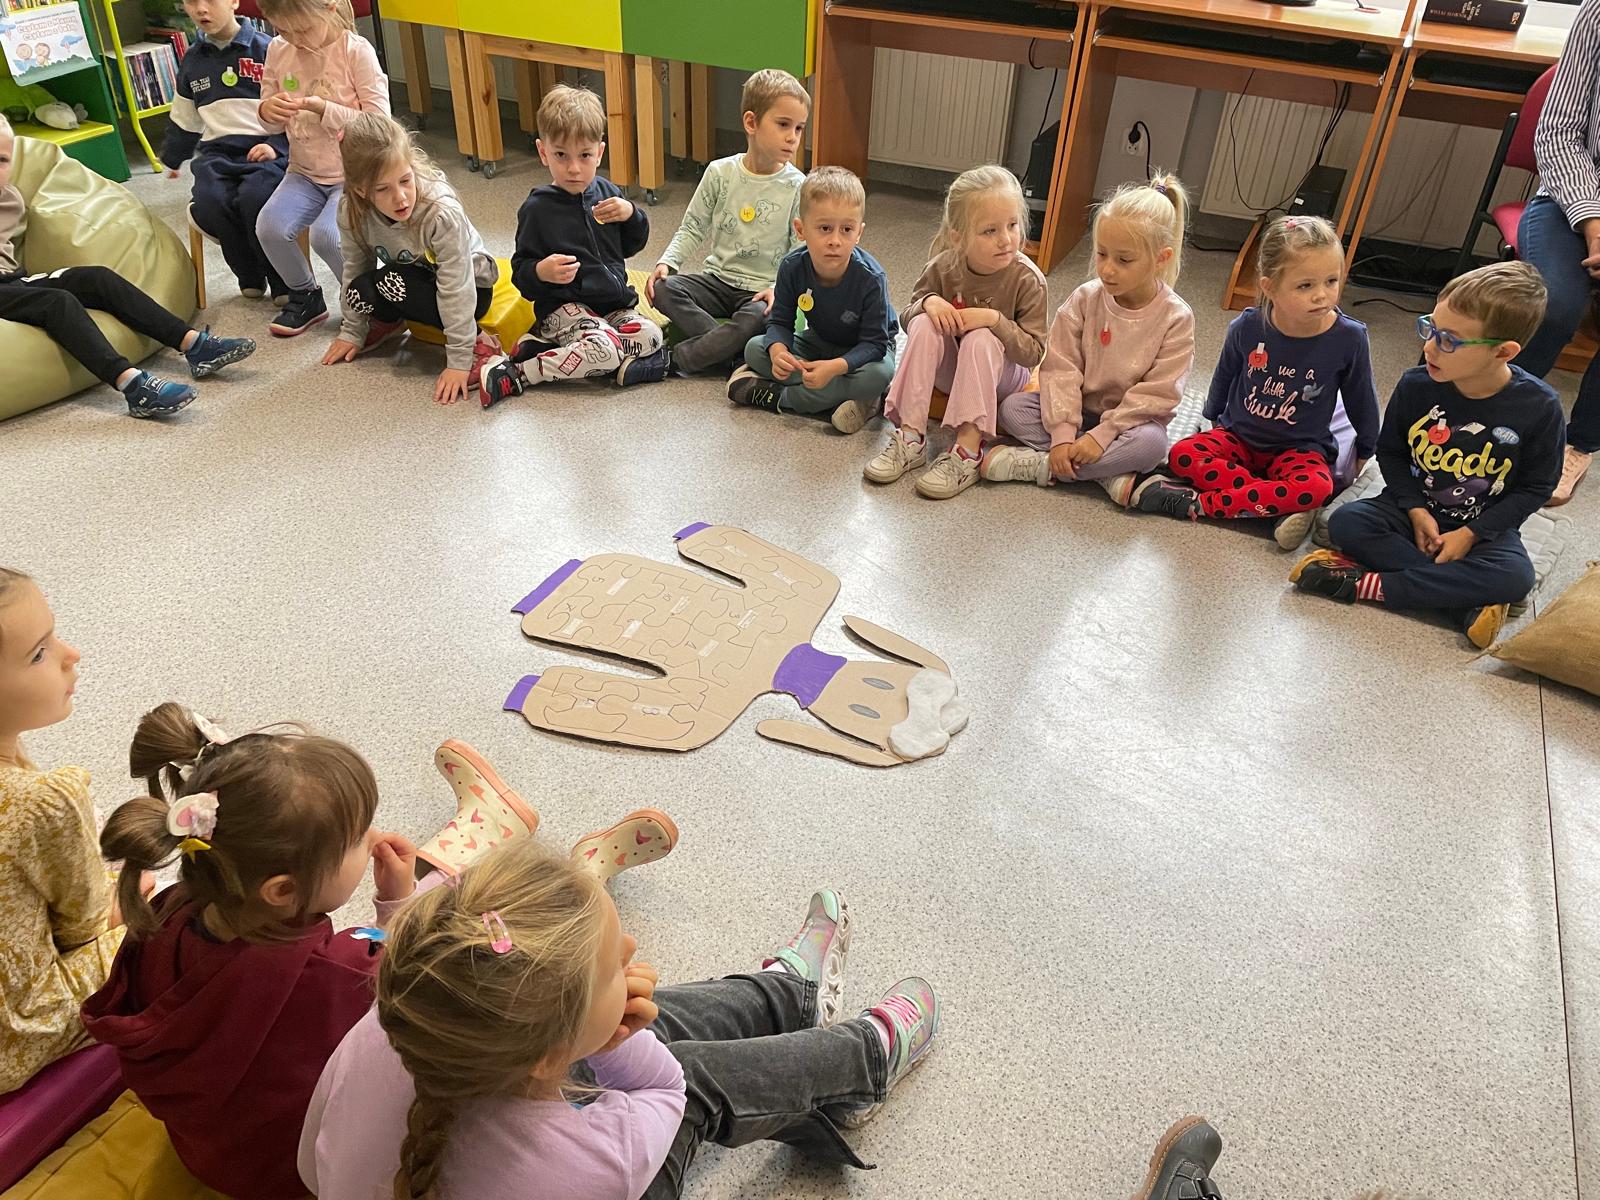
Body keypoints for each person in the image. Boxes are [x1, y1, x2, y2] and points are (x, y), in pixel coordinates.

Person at [299, 840, 939, 1200]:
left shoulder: (404, 1013)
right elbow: (667, 1088)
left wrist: (600, 1023)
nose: (632, 949)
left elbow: (309, 1166)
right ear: (549, 1060)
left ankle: (787, 996)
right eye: (613, 961)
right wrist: (613, 1041)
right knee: (682, 1069)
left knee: (620, 1019)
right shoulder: (588, 1162)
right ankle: (864, 1060)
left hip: (526, 1068)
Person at [1291, 261, 1563, 649]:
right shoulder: (1416, 385)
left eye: (1449, 340)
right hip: (1409, 513)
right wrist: (1416, 509)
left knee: (1515, 577)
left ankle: (1369, 585)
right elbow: (1391, 452)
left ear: (1503, 351)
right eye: (1430, 328)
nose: (1429, 346)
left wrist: (1470, 534)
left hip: (1482, 529)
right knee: (1347, 522)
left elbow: (1536, 488)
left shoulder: (1540, 407)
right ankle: (1461, 604)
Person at [1135, 214, 1381, 551]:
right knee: (1182, 455)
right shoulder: (1247, 327)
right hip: (1239, 439)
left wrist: (1366, 448)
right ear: (1269, 287)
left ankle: (1202, 504)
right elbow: (1224, 374)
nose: (1322, 296)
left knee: (1317, 488)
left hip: (1300, 449)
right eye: (1305, 286)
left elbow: (1361, 398)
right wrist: (1212, 416)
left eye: (1331, 281)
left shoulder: (1349, 338)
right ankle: (1275, 505)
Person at [0, 117, 256, 418]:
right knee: (57, 302)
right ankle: (133, 386)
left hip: (11, 281)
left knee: (98, 277)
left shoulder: (11, 199)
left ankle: (194, 345)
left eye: (3, 160)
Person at [0, 569, 137, 1093]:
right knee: (182, 920)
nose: (70, 654)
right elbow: (84, 927)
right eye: (39, 652)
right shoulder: (45, 799)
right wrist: (135, 897)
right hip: (16, 1035)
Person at [981, 175, 1195, 507]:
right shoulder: (1085, 298)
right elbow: (1060, 367)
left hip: (1129, 424)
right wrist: (1063, 435)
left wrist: (1104, 435)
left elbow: (1159, 393)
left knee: (1153, 445)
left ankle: (1043, 467)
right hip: (1076, 409)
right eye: (1101, 254)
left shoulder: (1176, 317)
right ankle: (1106, 473)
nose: (1107, 269)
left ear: (1161, 258)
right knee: (1011, 410)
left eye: (1124, 260)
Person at [864, 164, 1049, 499]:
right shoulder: (943, 267)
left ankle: (967, 452)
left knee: (981, 337)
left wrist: (993, 320)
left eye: (1012, 225)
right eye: (990, 230)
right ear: (958, 237)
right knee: (925, 322)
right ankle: (910, 437)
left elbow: (1034, 353)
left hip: (1004, 377)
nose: (1006, 238)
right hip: (952, 372)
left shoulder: (1028, 279)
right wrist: (929, 303)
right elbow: (907, 318)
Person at [478, 84, 664, 405]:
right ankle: (517, 372)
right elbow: (521, 274)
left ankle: (548, 349)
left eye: (585, 155)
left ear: (600, 153)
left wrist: (631, 214)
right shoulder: (537, 209)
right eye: (561, 155)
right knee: (606, 350)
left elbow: (632, 246)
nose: (574, 168)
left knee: (652, 335)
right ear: (543, 152)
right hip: (562, 310)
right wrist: (541, 271)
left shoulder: (608, 193)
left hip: (613, 306)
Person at [320, 112, 501, 405]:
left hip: (471, 288)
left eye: (406, 180)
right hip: (411, 277)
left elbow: (455, 286)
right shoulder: (350, 209)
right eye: (383, 189)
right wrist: (352, 332)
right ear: (361, 190)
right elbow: (354, 267)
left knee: (390, 279)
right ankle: (390, 322)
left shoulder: (440, 213)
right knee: (359, 290)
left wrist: (459, 359)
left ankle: (481, 343)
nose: (401, 197)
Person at [646, 69, 809, 377]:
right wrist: (667, 262)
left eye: (799, 128)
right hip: (717, 281)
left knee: (761, 316)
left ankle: (676, 359)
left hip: (760, 292)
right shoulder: (719, 172)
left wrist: (778, 288)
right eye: (783, 124)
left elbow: (799, 251)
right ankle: (731, 355)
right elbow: (693, 226)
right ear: (751, 123)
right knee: (662, 289)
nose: (793, 137)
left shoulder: (798, 186)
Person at [254, 0, 389, 337]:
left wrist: (325, 110)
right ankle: (306, 295)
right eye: (282, 30)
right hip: (304, 171)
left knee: (328, 236)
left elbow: (381, 126)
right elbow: (268, 120)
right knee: (269, 228)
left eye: (302, 30)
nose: (294, 39)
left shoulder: (355, 51)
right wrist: (268, 111)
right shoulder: (278, 49)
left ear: (329, 7)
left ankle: (371, 305)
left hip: (355, 175)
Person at [728, 165, 896, 434]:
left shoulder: (871, 278)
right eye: (825, 228)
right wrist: (779, 352)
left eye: (847, 229)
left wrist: (834, 368)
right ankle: (852, 398)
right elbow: (780, 322)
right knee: (754, 348)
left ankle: (782, 397)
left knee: (880, 374)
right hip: (820, 341)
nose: (835, 240)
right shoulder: (792, 266)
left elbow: (875, 344)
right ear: (800, 229)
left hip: (864, 351)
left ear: (859, 233)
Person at [1513, 0, 1600, 505]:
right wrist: (1592, 221)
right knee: (1554, 305)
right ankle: (1486, 413)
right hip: (1572, 194)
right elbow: (1559, 132)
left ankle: (1579, 443)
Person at [159, 0, 289, 302]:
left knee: (256, 198)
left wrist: (277, 147)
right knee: (210, 201)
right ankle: (249, 274)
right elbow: (185, 118)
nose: (201, 9)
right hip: (217, 153)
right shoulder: (192, 60)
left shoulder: (269, 49)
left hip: (265, 149)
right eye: (192, 2)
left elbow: (295, 110)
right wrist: (173, 158)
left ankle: (282, 280)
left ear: (233, 2)